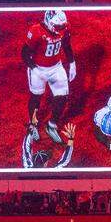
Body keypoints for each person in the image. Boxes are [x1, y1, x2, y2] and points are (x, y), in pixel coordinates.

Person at [22, 9, 76, 144]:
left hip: (56, 67)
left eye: (63, 26)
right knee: (36, 97)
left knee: (62, 96)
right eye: (58, 26)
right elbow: (24, 53)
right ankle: (32, 124)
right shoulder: (36, 31)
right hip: (38, 68)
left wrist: (72, 62)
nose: (61, 29)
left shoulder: (64, 27)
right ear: (49, 22)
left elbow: (67, 45)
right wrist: (34, 69)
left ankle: (51, 125)